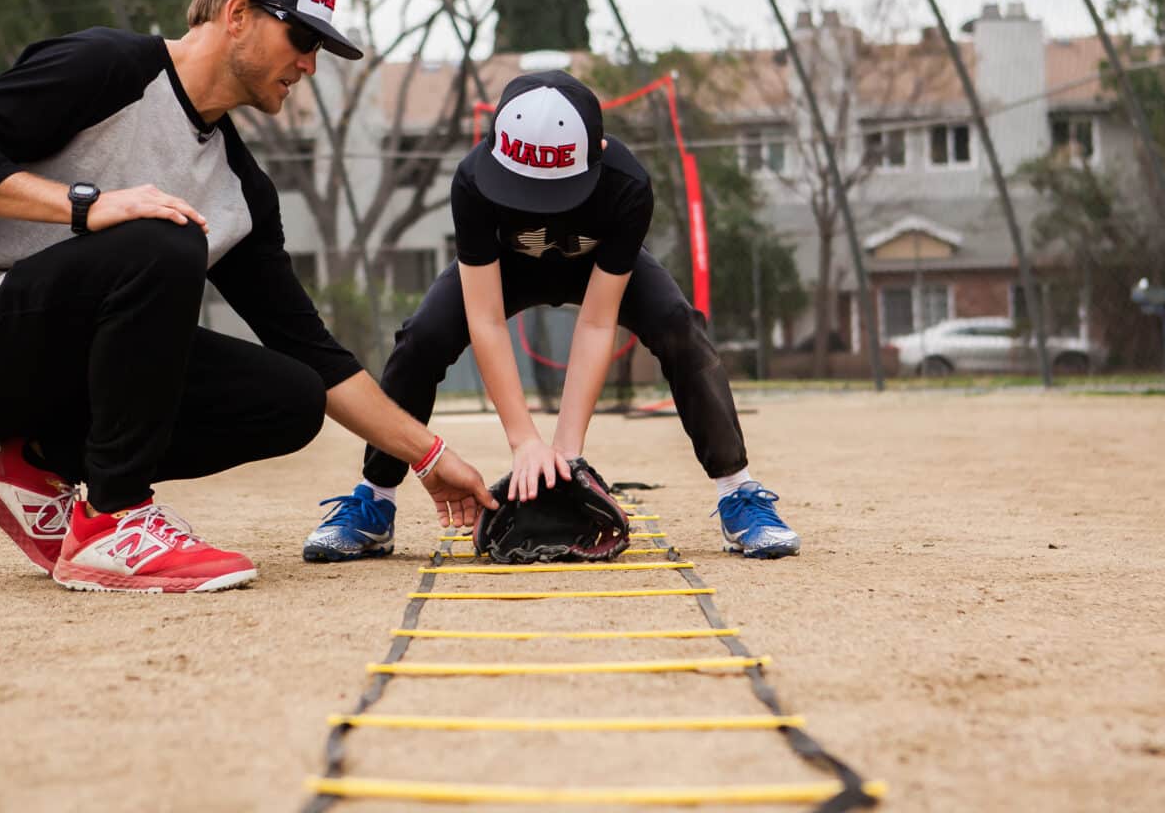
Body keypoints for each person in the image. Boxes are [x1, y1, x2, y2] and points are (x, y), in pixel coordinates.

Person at [0, 0, 496, 594]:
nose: (310, 65)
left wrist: (430, 457)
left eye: (320, 48)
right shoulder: (109, 67)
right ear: (237, 14)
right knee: (166, 234)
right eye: (302, 38)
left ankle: (32, 464)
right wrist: (84, 205)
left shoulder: (239, 191)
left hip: (57, 373)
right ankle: (113, 520)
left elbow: (316, 353)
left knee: (291, 397)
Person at [303, 70, 799, 561]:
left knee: (679, 326)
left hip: (595, 269)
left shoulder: (627, 186)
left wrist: (565, 451)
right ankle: (375, 499)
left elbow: (598, 320)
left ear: (597, 154)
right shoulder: (473, 180)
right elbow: (487, 320)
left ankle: (737, 489)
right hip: (507, 268)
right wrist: (524, 442)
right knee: (423, 336)